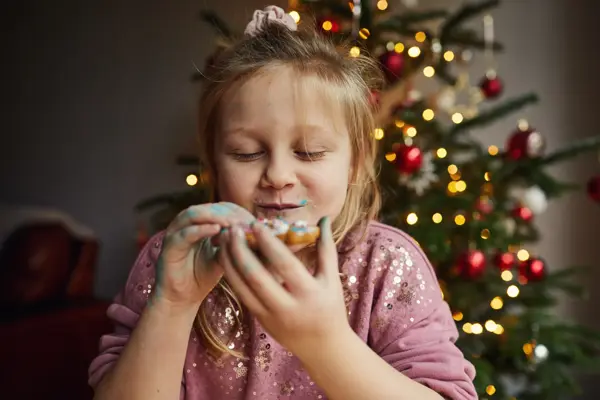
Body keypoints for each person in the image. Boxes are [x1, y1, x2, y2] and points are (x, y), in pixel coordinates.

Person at [88, 5, 477, 400]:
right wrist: (172, 303)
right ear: (214, 165)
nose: (278, 175)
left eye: (308, 152)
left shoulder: (387, 264)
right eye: (245, 153)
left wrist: (324, 343)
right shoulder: (170, 259)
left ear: (355, 165)